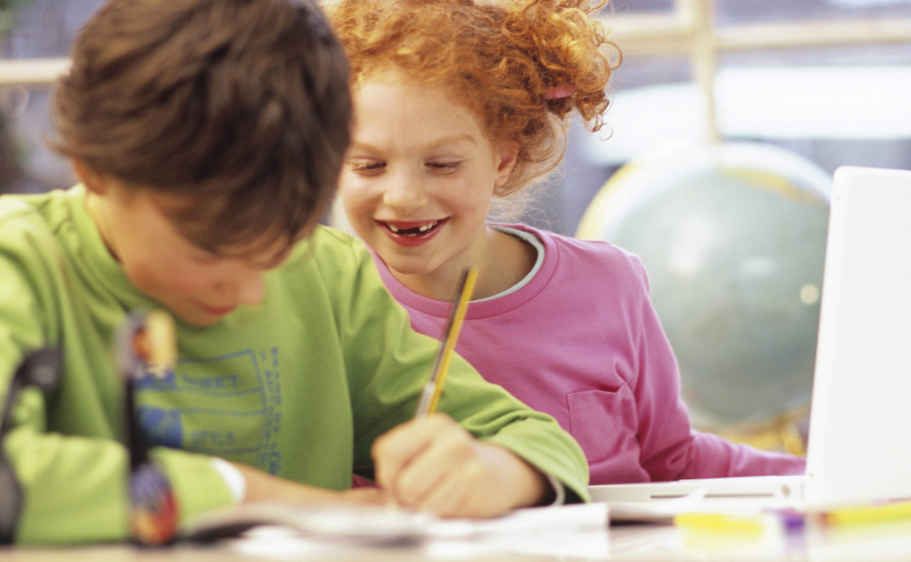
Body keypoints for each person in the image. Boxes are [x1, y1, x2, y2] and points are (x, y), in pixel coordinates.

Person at [0, 0, 590, 545]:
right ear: (94, 168)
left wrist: (496, 472)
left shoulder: (331, 280)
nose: (251, 290)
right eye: (209, 249)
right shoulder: (19, 263)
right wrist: (264, 499)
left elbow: (538, 439)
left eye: (281, 244)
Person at [327, 0, 805, 486]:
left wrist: (825, 476)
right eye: (368, 166)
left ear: (503, 161)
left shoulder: (608, 284)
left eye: (442, 164)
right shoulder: (334, 307)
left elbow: (672, 461)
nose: (404, 196)